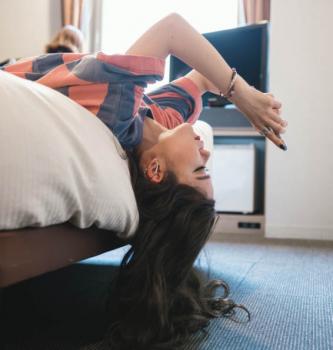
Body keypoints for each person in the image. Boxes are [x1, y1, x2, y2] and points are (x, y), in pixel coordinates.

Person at [2, 13, 287, 349]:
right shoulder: (164, 118)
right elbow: (202, 78)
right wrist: (255, 101)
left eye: (200, 170)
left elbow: (171, 29)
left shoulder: (116, 112)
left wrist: (242, 95)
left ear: (155, 170)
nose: (206, 155)